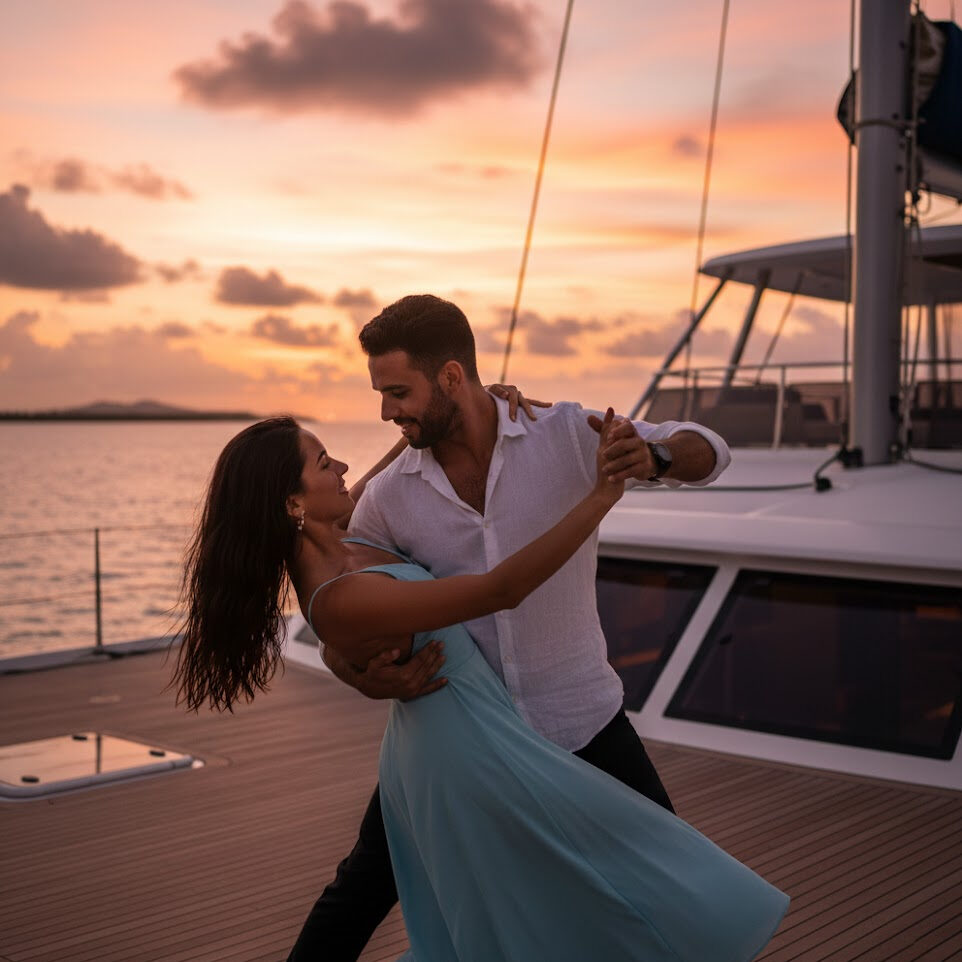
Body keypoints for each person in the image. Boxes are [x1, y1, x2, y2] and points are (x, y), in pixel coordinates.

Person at [174, 413, 787, 962]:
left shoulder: (346, 541)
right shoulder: (341, 592)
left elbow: (378, 477)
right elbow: (500, 590)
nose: (342, 466)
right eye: (322, 461)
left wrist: (455, 416)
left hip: (457, 731)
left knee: (588, 876)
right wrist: (602, 496)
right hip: (464, 750)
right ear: (290, 504)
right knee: (612, 877)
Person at [290, 294, 734, 960]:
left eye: (398, 391)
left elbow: (711, 450)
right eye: (381, 394)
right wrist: (359, 673)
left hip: (581, 720)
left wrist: (655, 461)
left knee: (672, 891)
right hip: (462, 738)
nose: (387, 410)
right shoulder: (387, 500)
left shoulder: (564, 436)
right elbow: (341, 614)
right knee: (360, 889)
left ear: (449, 378)